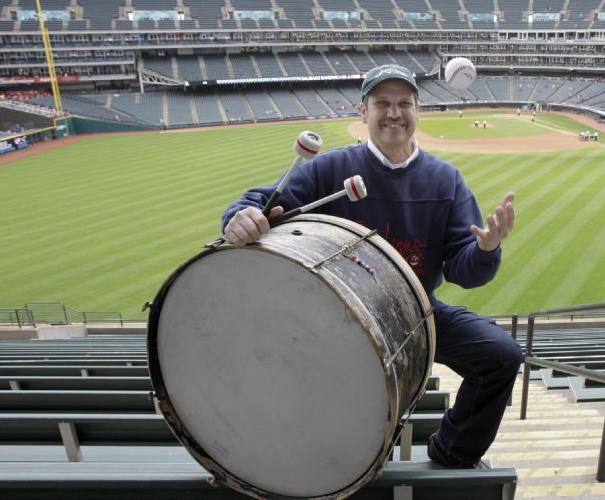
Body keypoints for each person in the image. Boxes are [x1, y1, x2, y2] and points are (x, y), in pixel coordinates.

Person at [222, 64, 522, 470]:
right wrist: (239, 215)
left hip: (415, 311)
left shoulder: (445, 180)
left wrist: (486, 249)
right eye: (382, 103)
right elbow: (267, 202)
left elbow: (464, 272)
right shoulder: (328, 169)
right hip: (335, 313)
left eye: (404, 103)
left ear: (418, 111)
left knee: (501, 356)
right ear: (363, 112)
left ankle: (454, 450)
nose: (393, 113)